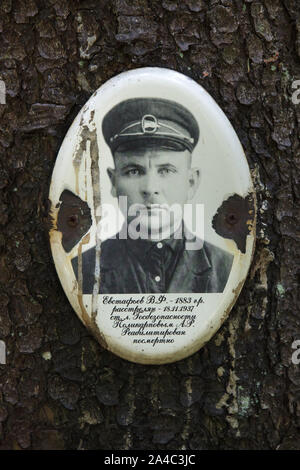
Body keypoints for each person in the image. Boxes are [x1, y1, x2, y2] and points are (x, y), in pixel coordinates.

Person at [71, 98, 233, 294]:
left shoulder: (226, 269)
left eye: (165, 170)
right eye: (134, 171)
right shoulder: (81, 271)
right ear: (114, 182)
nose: (150, 188)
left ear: (191, 182)